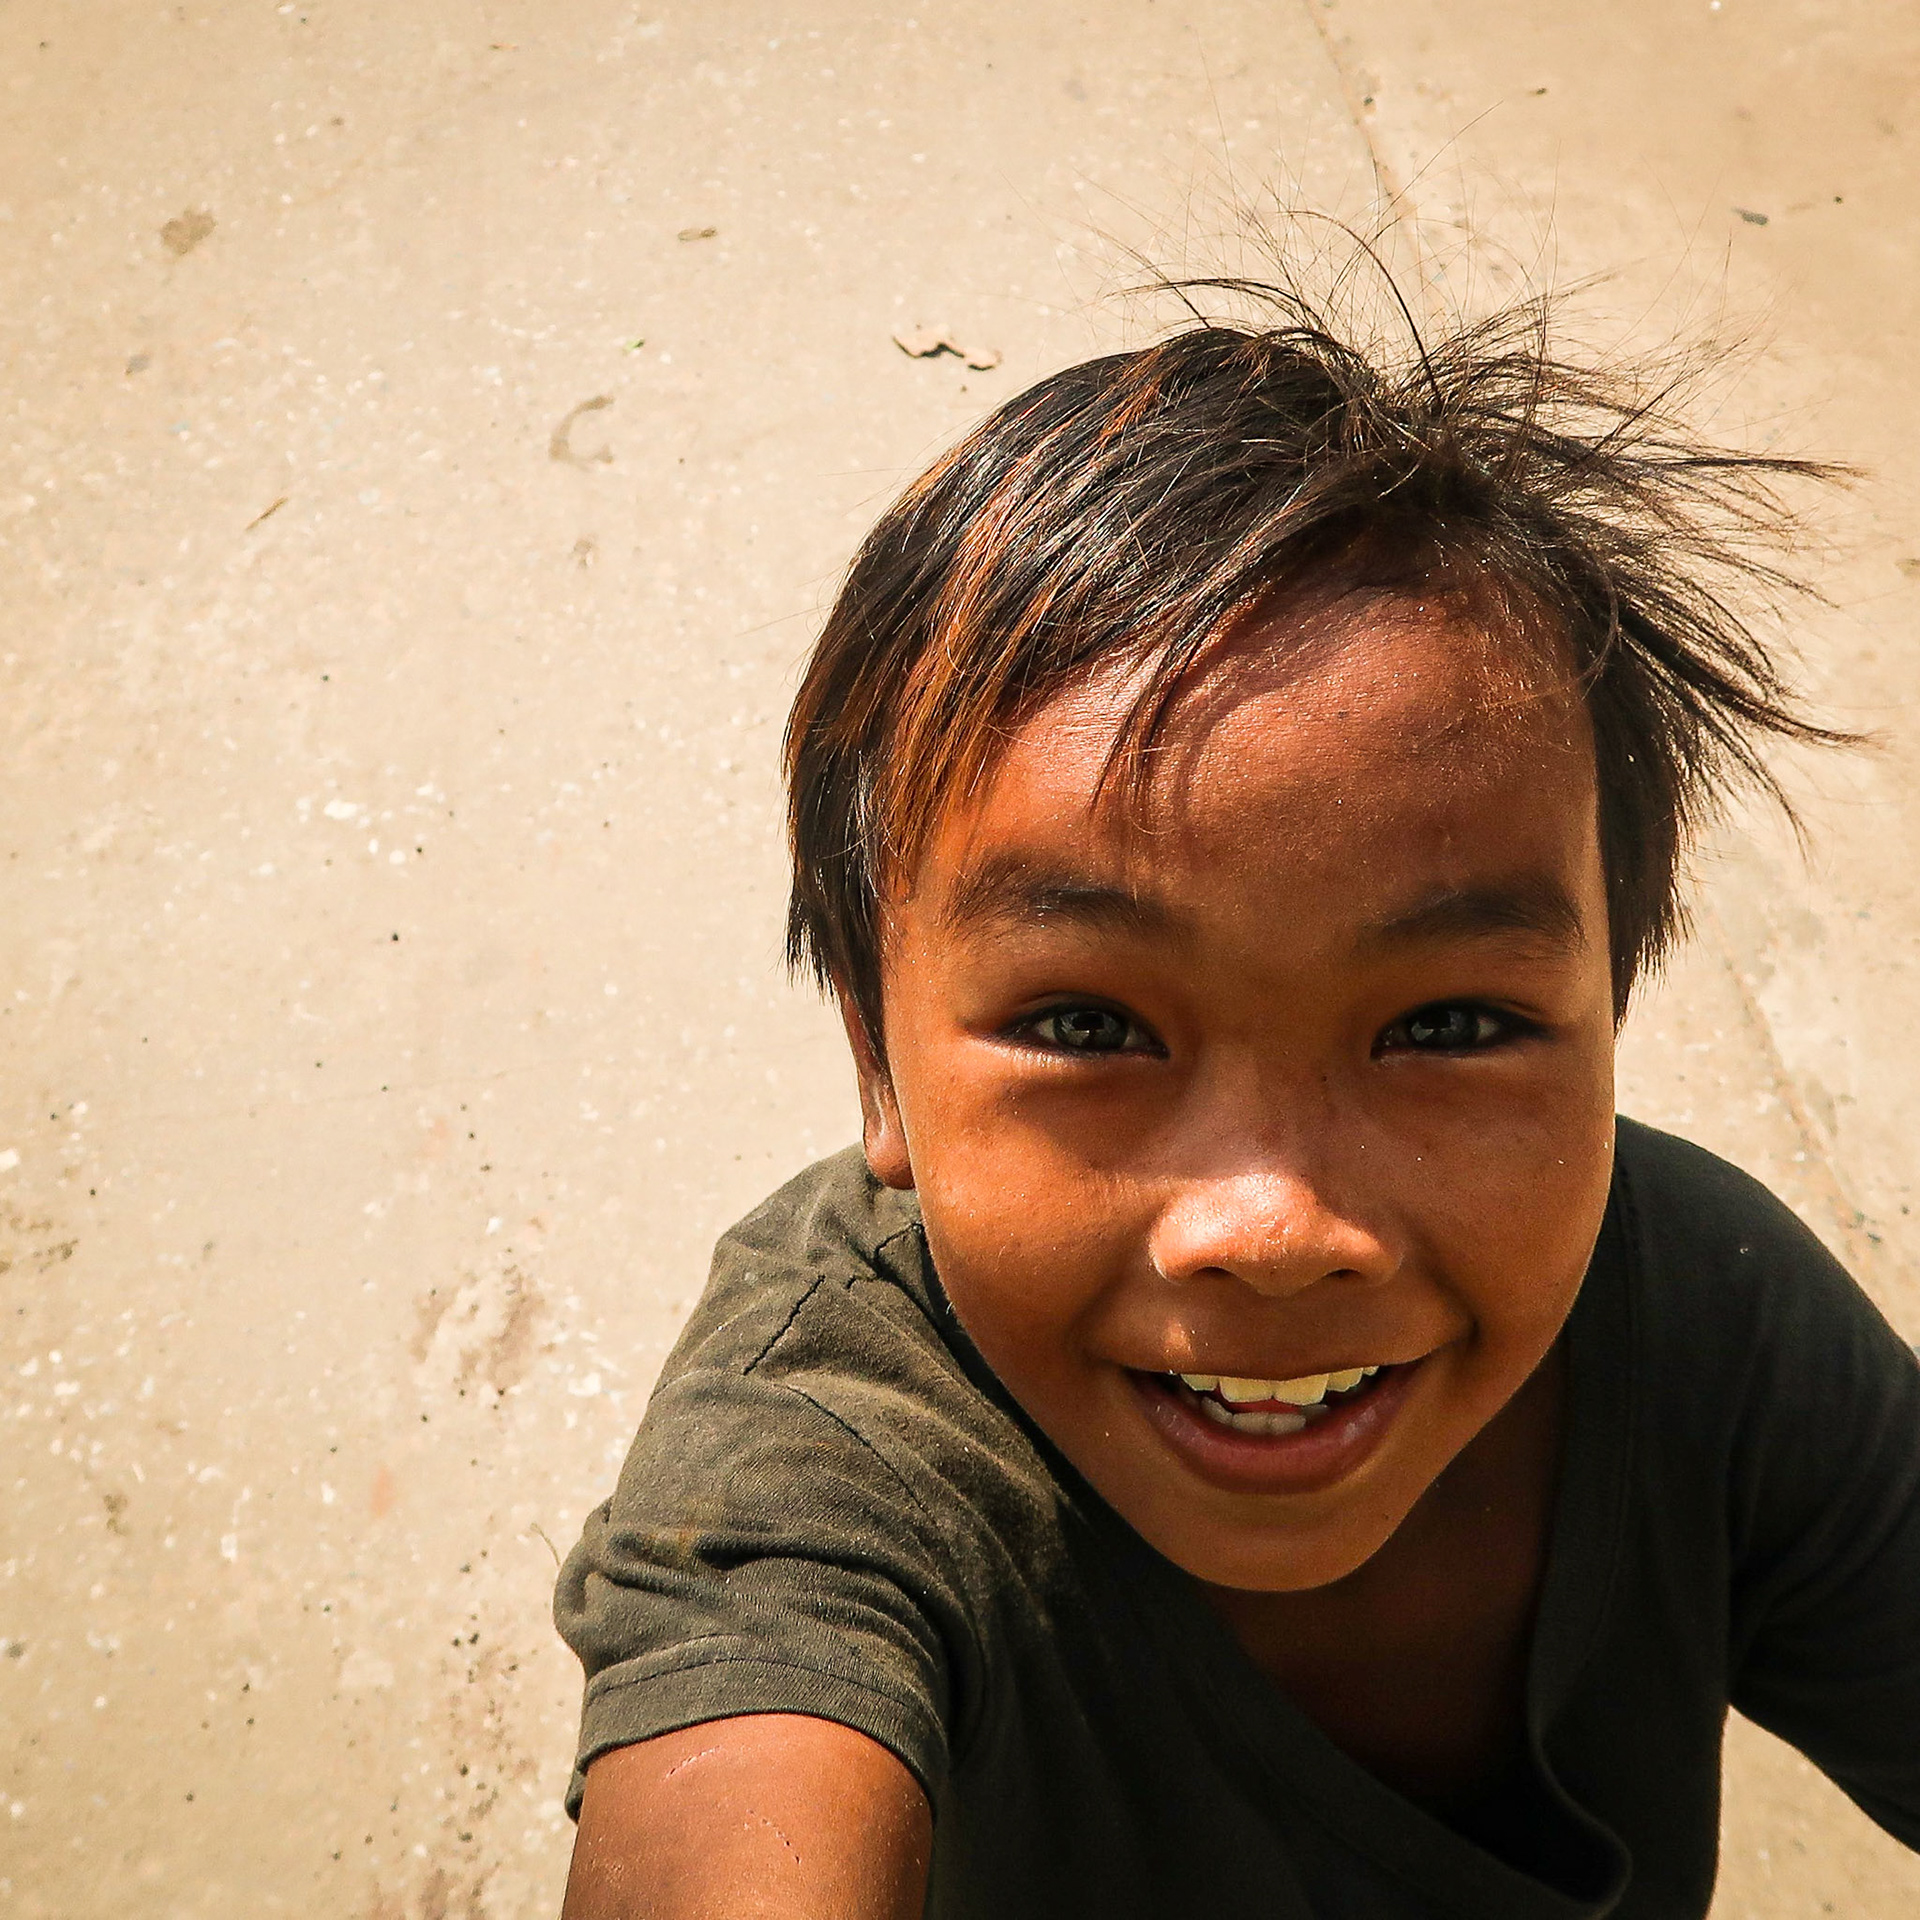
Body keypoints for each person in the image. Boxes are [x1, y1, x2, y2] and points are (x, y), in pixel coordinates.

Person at [553, 282, 1920, 1918]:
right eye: (1084, 1023)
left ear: (1612, 1014)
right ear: (876, 1058)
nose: (1274, 1228)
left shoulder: (1706, 1312)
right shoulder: (825, 1465)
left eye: (1453, 1024)